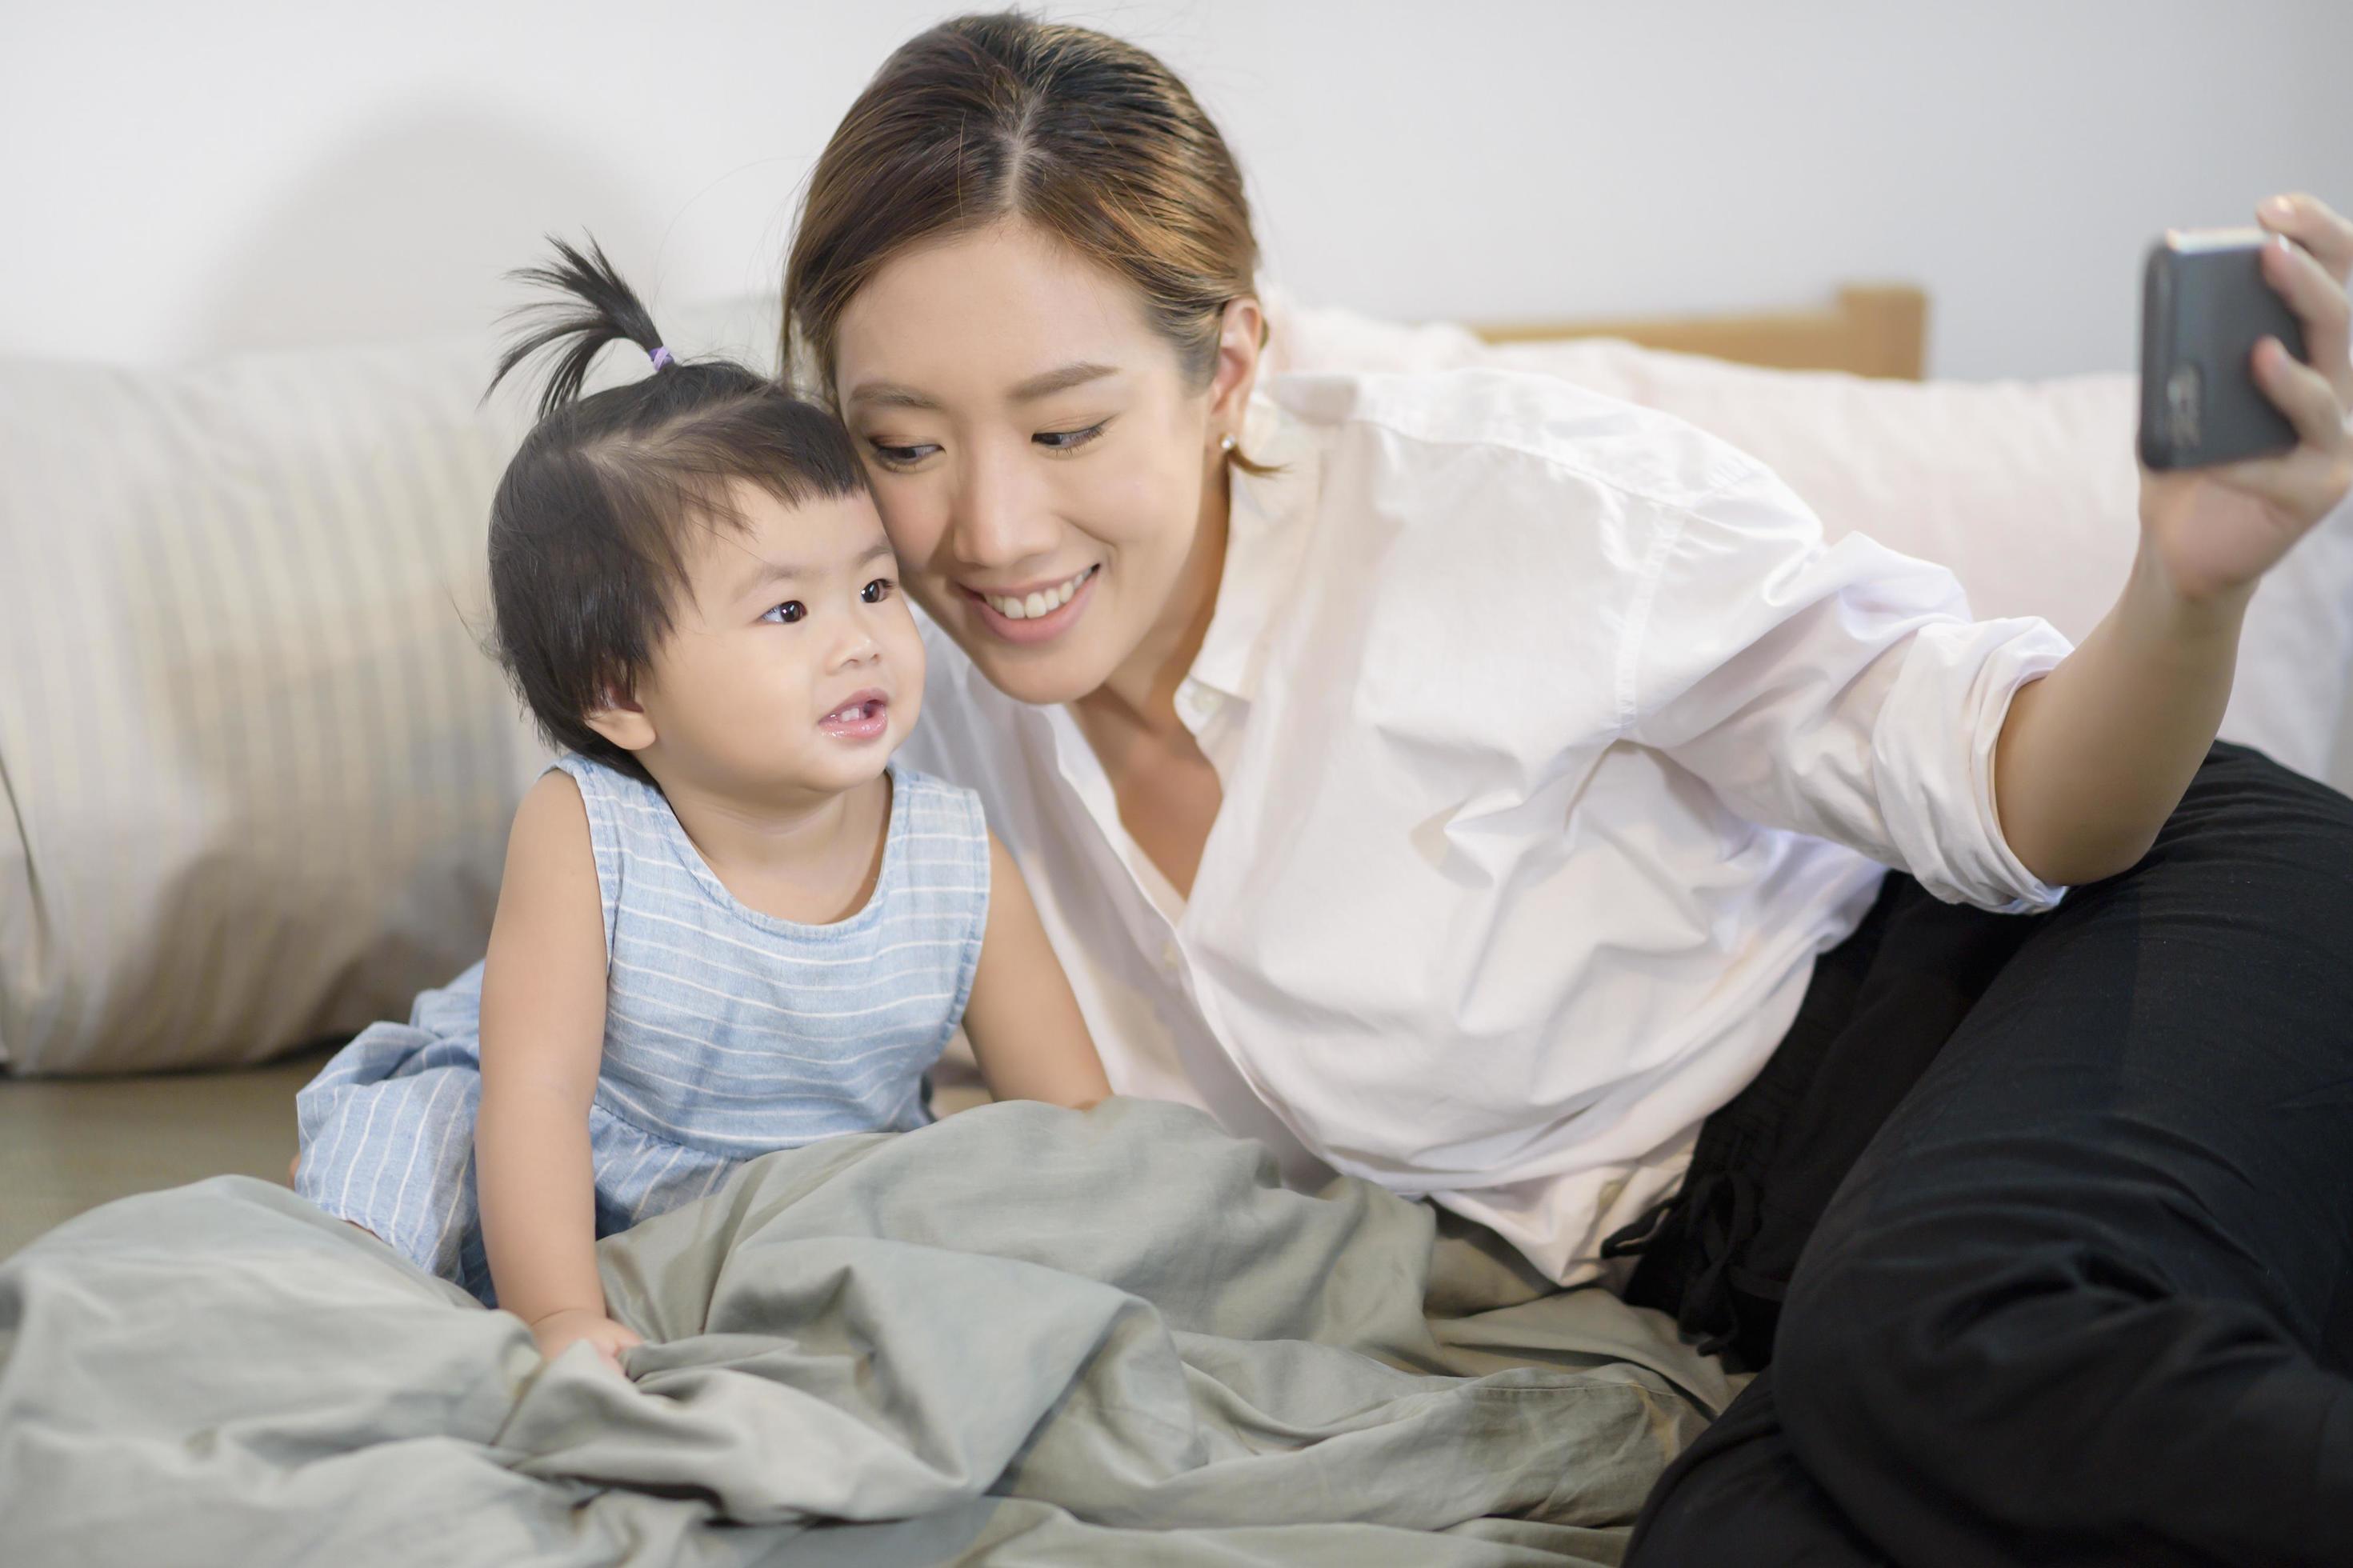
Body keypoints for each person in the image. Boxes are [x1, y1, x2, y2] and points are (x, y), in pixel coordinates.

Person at [777, 13, 2353, 1561]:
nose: (984, 531)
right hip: (1743, 1264)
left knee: (1949, 1335)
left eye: (1065, 426)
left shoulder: (1505, 508)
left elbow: (2027, 802)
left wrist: (2188, 583)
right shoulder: (911, 729)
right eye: (902, 444)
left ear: (1229, 365)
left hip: (2081, 941)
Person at [294, 238, 1110, 1370]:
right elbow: (534, 1098)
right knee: (416, 1145)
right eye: (786, 613)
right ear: (622, 693)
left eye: (874, 587)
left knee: (950, 1201)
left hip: (804, 1191)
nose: (858, 640)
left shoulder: (954, 859)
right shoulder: (589, 833)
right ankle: (345, 1310)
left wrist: (1105, 1238)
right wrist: (561, 1314)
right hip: (554, 1166)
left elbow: (1076, 1127)